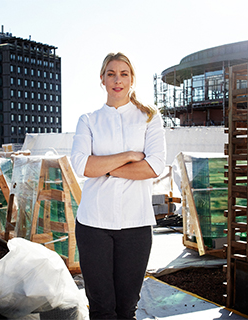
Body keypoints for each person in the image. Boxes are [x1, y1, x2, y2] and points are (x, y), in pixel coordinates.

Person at [71, 52, 166, 319]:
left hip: (135, 225)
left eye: (124, 74)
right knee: (101, 309)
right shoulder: (88, 120)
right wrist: (127, 156)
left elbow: (153, 166)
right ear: (102, 79)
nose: (117, 80)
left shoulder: (149, 117)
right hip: (93, 225)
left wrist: (105, 168)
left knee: (126, 309)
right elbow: (82, 166)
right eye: (111, 73)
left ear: (132, 79)